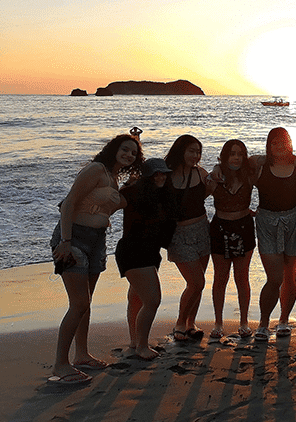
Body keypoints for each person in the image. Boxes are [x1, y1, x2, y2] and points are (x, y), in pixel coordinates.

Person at [50, 134, 142, 384]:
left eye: (133, 153)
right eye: (125, 149)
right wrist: (65, 242)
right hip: (74, 239)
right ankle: (60, 364)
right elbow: (69, 203)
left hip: (96, 241)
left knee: (86, 302)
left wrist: (130, 186)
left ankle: (81, 355)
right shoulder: (95, 170)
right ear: (113, 149)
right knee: (79, 303)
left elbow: (113, 204)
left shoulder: (112, 179)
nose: (128, 155)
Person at [116, 158, 176, 360]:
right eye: (155, 174)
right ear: (146, 177)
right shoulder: (133, 192)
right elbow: (113, 198)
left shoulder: (163, 195)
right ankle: (142, 345)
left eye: (163, 173)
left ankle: (135, 342)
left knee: (136, 298)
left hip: (150, 252)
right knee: (152, 300)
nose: (160, 177)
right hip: (133, 250)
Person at [253, 127, 296, 341]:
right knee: (274, 278)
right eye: (275, 142)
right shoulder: (259, 165)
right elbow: (232, 166)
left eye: (284, 141)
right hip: (267, 223)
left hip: (293, 222)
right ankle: (264, 323)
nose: (280, 146)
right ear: (269, 146)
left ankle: (284, 319)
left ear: (290, 143)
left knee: (290, 277)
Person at [164, 134, 216, 341]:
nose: (195, 156)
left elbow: (207, 195)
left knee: (198, 282)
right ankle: (179, 323)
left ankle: (190, 323)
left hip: (203, 230)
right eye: (191, 151)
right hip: (178, 235)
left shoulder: (201, 173)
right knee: (196, 282)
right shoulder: (166, 176)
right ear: (180, 151)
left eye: (198, 152)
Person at [208, 140, 257, 339]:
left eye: (240, 154)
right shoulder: (215, 178)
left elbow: (264, 160)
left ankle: (244, 322)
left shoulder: (250, 175)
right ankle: (218, 322)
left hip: (244, 227)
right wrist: (215, 167)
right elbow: (194, 198)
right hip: (220, 228)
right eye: (232, 154)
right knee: (220, 278)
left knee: (242, 277)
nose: (236, 158)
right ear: (224, 156)